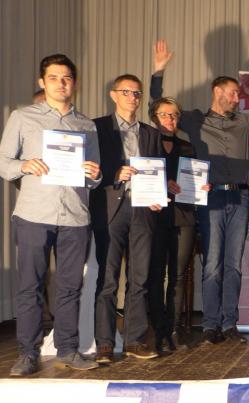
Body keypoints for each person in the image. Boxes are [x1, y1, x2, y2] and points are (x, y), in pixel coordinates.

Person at [151, 40, 249, 345]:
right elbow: (159, 105)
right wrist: (159, 72)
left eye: (237, 94)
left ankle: (230, 323)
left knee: (233, 264)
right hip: (212, 198)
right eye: (232, 93)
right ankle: (210, 324)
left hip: (240, 197)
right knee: (212, 263)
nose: (236, 97)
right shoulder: (195, 119)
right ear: (217, 92)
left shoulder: (244, 120)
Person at [0, 54, 102, 375]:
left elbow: (95, 177)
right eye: (54, 78)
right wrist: (23, 165)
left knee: (71, 287)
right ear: (42, 82)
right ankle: (28, 353)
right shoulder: (22, 117)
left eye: (67, 78)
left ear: (75, 83)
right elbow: (3, 162)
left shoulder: (86, 125)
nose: (61, 83)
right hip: (34, 213)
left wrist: (95, 173)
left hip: (75, 217)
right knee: (30, 286)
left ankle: (68, 349)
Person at [92, 74, 162, 361]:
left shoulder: (151, 133)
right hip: (110, 209)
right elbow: (89, 168)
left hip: (143, 210)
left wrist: (158, 195)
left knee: (139, 278)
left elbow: (157, 170)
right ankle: (104, 344)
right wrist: (114, 174)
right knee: (108, 280)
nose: (132, 98)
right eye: (126, 92)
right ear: (113, 95)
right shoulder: (97, 128)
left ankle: (134, 340)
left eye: (137, 93)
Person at [147, 96, 209, 353]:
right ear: (154, 117)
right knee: (154, 274)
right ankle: (156, 330)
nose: (170, 119)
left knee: (178, 275)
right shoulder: (146, 143)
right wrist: (163, 185)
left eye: (174, 115)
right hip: (154, 216)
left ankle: (173, 330)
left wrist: (202, 186)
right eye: (164, 114)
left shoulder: (188, 147)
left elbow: (193, 178)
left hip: (184, 216)